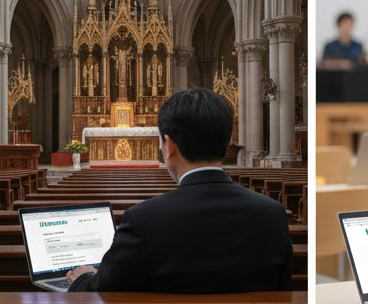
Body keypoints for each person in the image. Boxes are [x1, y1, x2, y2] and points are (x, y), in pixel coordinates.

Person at [67, 87, 292, 292]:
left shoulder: (143, 220)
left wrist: (83, 277)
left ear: (170, 146)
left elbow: (104, 292)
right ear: (225, 142)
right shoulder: (272, 214)